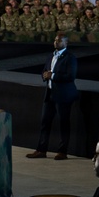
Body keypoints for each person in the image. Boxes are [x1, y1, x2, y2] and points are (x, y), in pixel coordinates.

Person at [27, 32, 80, 160]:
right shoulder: (51, 56)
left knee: (63, 123)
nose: (56, 42)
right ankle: (41, 150)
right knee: (45, 122)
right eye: (55, 40)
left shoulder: (70, 57)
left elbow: (71, 76)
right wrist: (44, 75)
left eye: (59, 41)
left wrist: (53, 76)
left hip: (63, 95)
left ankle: (62, 151)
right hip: (50, 94)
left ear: (66, 43)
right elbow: (45, 70)